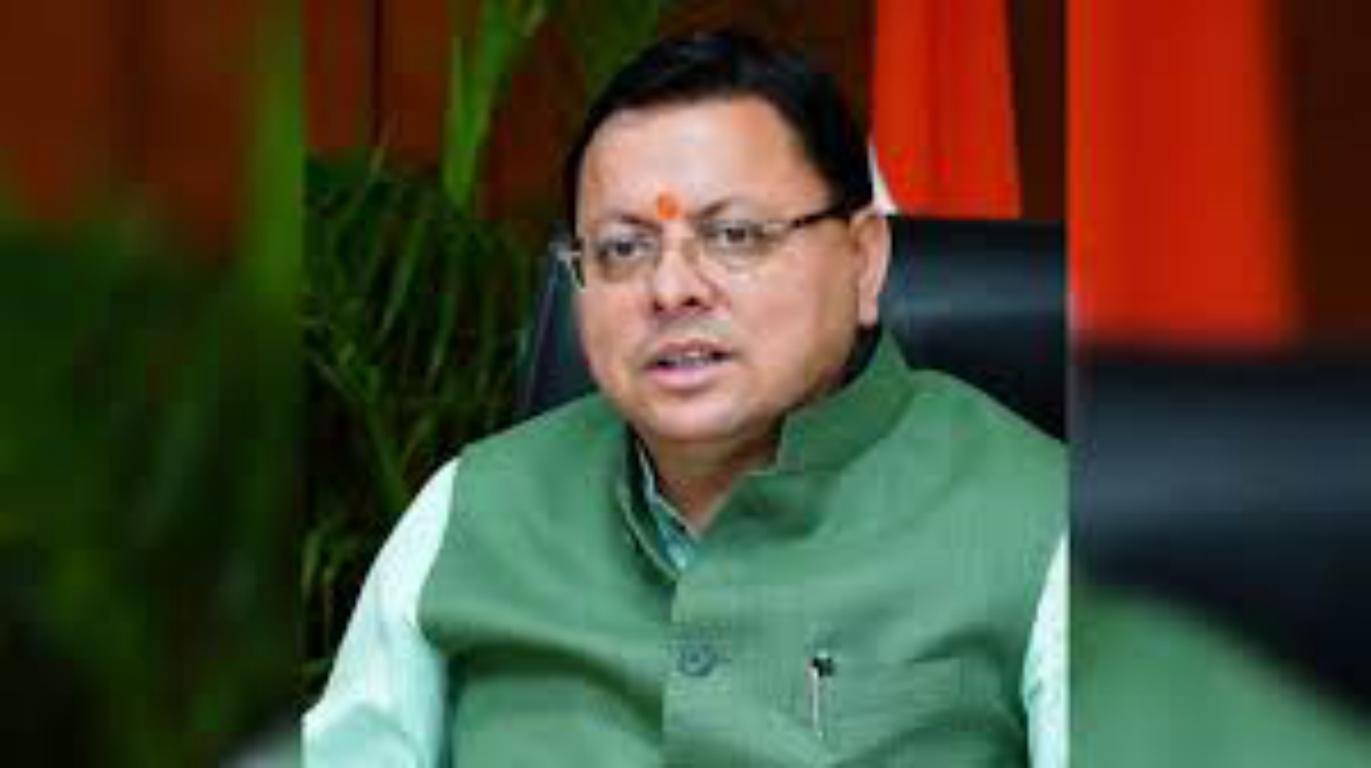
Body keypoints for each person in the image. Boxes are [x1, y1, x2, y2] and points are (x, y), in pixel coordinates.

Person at [305, 30, 1065, 766]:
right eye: (623, 248)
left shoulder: (1047, 529)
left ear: (863, 261)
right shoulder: (468, 511)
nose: (670, 289)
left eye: (735, 235)